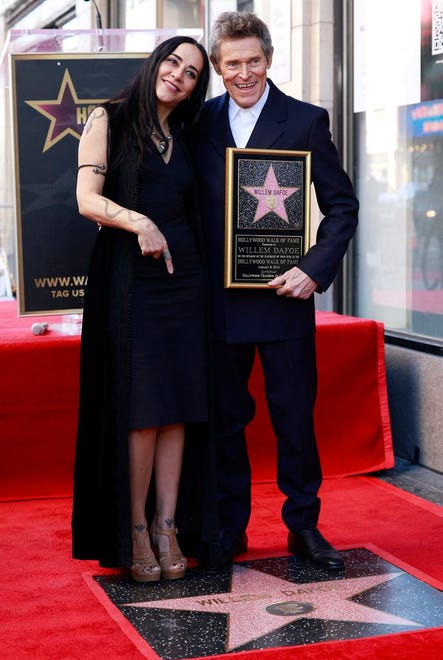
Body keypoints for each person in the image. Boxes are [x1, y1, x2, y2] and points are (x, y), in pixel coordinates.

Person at [191, 12, 359, 571]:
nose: (244, 73)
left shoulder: (307, 121)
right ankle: (228, 527)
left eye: (253, 61)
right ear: (217, 67)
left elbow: (341, 207)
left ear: (269, 59)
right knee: (225, 419)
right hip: (216, 301)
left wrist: (314, 269)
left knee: (293, 416)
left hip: (286, 296)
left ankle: (304, 527)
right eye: (232, 63)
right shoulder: (198, 123)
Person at [71, 36, 210, 582]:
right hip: (132, 281)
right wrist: (140, 221)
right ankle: (133, 529)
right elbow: (86, 201)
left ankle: (167, 525)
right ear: (156, 62)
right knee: (142, 409)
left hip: (187, 281)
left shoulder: (187, 132)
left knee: (178, 405)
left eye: (193, 72)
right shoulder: (110, 118)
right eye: (173, 61)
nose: (179, 74)